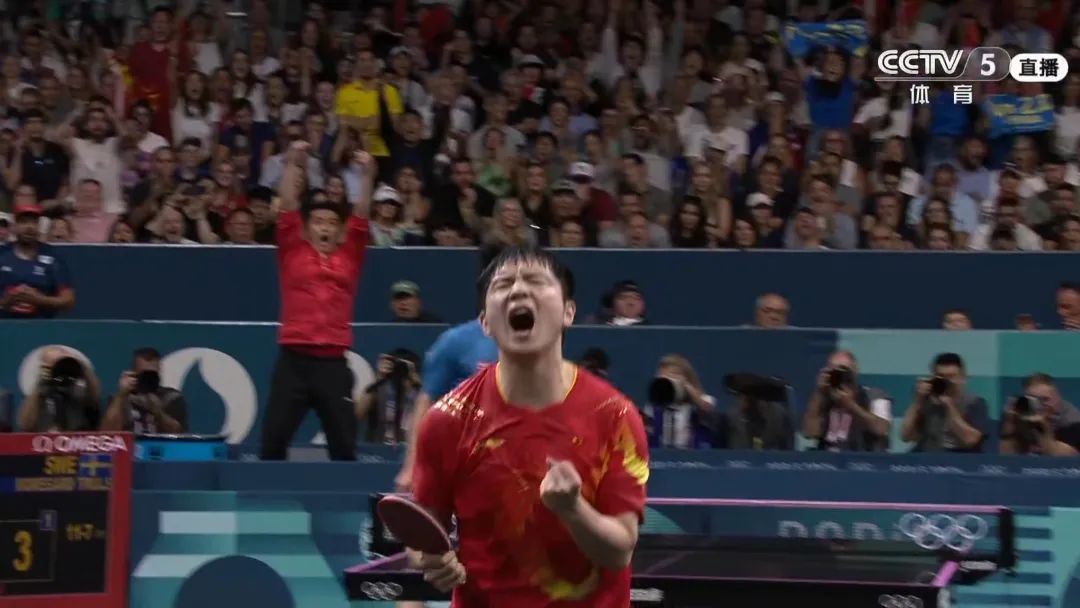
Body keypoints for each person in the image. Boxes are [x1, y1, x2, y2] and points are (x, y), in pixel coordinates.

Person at [410, 246, 650, 606]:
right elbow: (425, 536)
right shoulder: (446, 422)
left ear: (568, 312)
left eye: (536, 281)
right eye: (503, 284)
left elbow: (619, 552)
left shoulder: (615, 416)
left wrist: (572, 509)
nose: (519, 290)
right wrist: (431, 560)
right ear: (485, 323)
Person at [259, 143, 374, 461]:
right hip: (293, 362)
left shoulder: (350, 255)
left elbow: (362, 214)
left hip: (333, 364)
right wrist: (293, 163)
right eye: (318, 221)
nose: (325, 227)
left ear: (339, 230)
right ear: (307, 228)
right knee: (272, 443)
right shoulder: (292, 249)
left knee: (345, 448)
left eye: (332, 222)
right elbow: (288, 204)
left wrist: (367, 176)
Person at [394, 247, 502, 492]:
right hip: (464, 465)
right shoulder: (456, 341)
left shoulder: (537, 343)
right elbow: (425, 402)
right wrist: (411, 466)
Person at [0, 203, 76, 318]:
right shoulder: (2, 254)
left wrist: (40, 300)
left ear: (39, 226)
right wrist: (5, 302)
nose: (29, 227)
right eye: (24, 222)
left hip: (41, 326)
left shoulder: (53, 257)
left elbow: (69, 301)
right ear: (14, 226)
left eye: (34, 222)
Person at [101, 347, 188, 434]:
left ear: (159, 371)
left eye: (152, 374)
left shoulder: (171, 397)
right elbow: (107, 433)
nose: (148, 379)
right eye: (144, 374)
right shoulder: (119, 400)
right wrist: (121, 395)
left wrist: (158, 413)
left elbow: (178, 434)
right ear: (133, 372)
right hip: (130, 442)